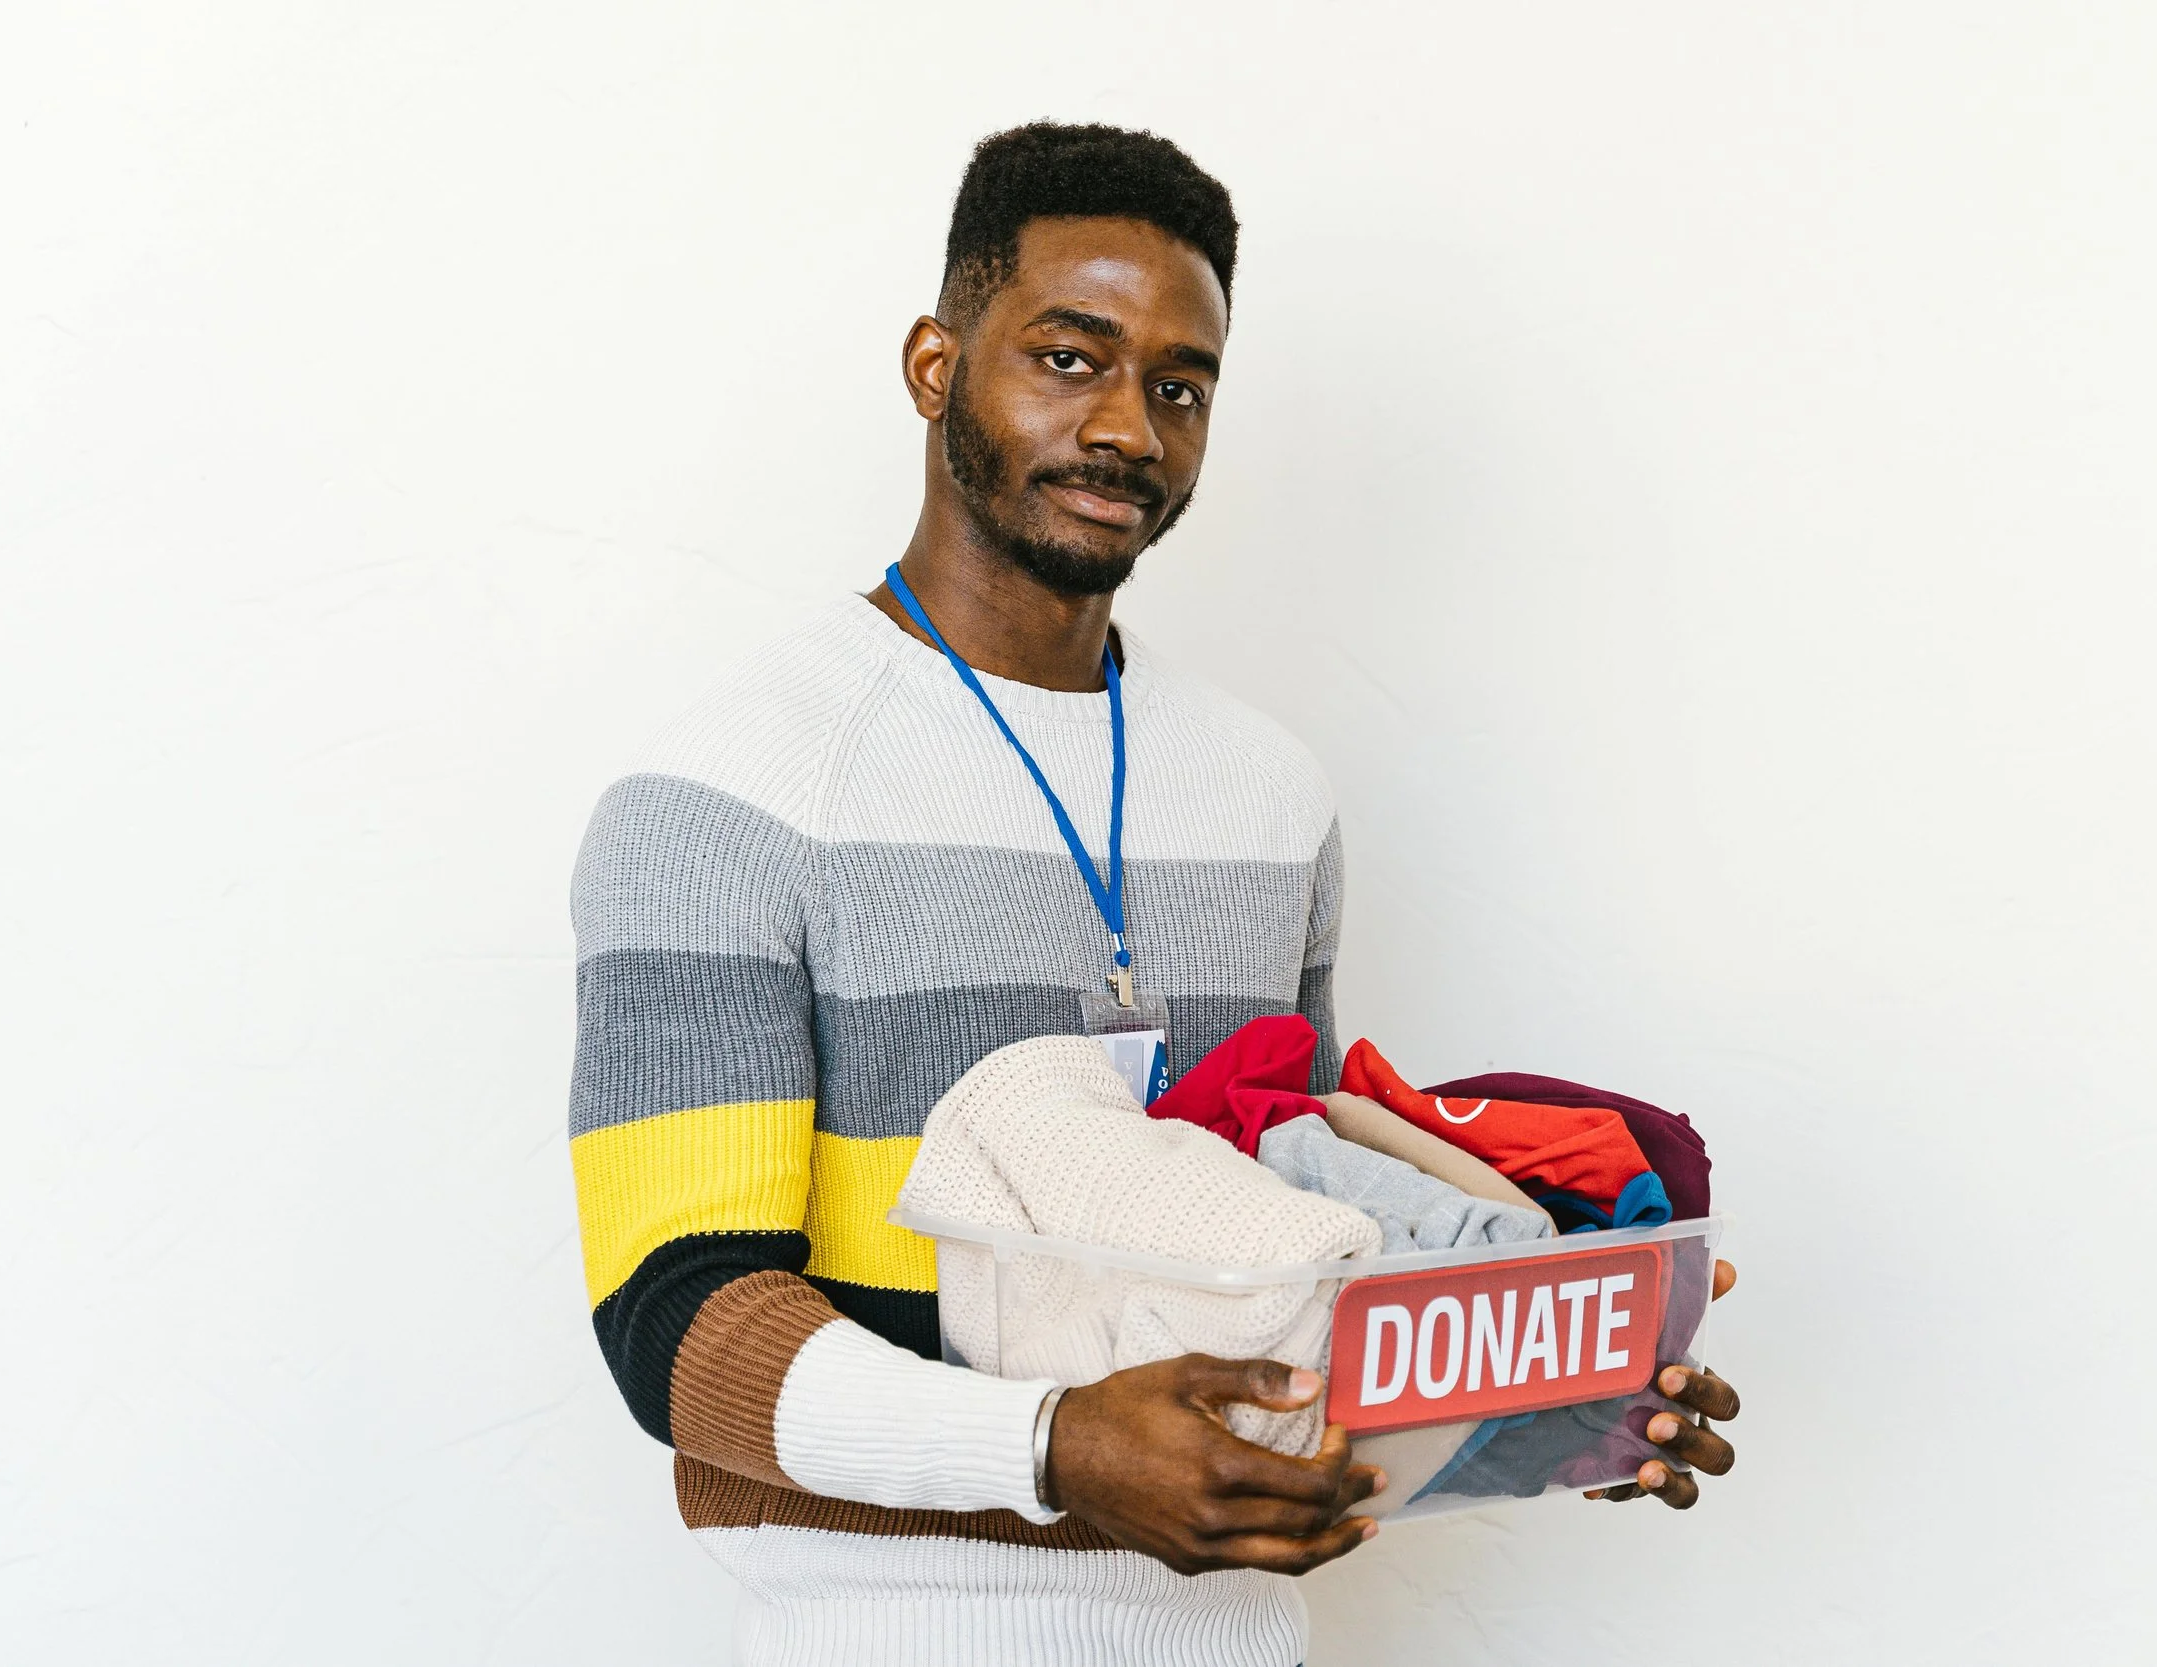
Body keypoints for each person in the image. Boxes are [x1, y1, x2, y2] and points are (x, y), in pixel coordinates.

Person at [566, 120, 1740, 1667]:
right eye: (1070, 357)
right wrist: (1056, 1446)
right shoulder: (727, 792)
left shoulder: (1269, 794)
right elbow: (677, 1324)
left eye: (1181, 386)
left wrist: (1565, 1383)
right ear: (934, 364)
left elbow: (1309, 1263)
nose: (1127, 425)